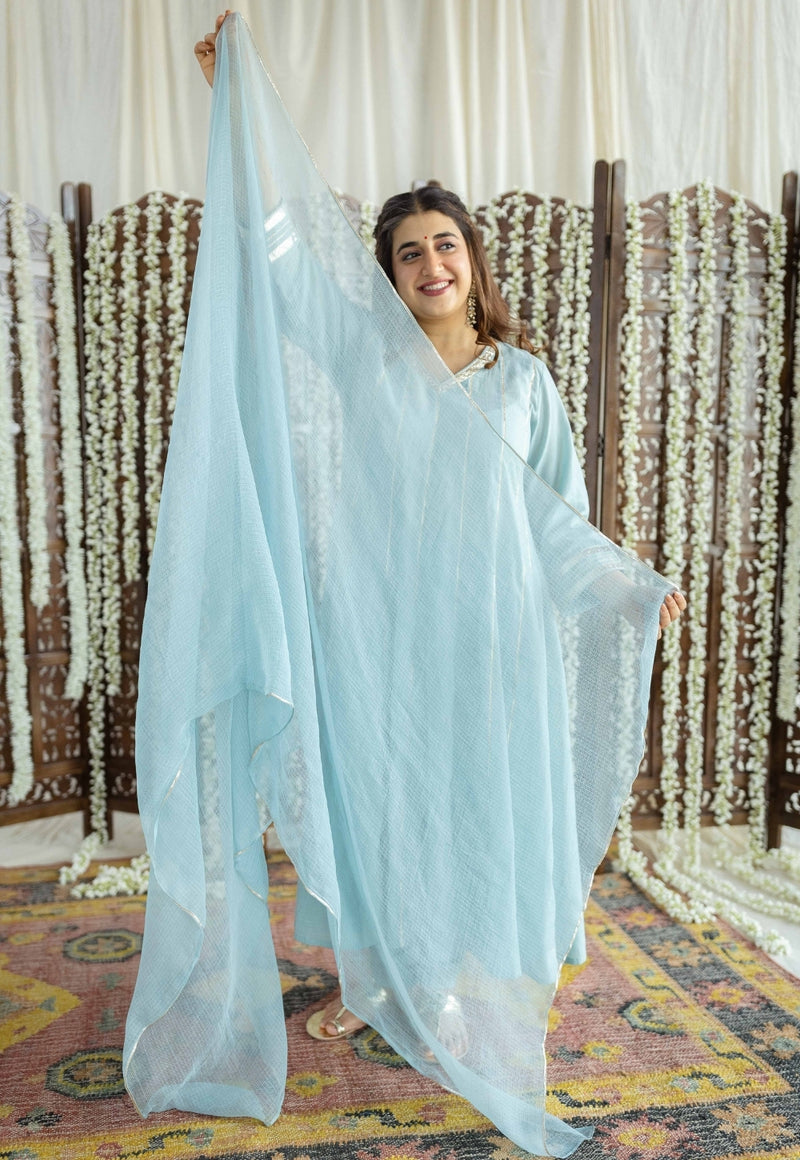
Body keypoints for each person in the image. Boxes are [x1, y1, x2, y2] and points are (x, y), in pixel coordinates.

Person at [192, 11, 686, 1044]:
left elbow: (556, 517)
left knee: (466, 798)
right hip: (378, 624)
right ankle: (372, 975)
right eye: (409, 252)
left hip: (489, 633)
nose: (430, 264)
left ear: (472, 261)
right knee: (381, 799)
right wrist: (233, 111)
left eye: (446, 245)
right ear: (390, 273)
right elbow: (283, 265)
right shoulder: (364, 358)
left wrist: (624, 585)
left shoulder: (523, 383)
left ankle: (451, 972)